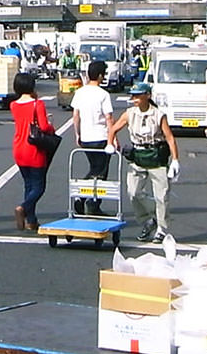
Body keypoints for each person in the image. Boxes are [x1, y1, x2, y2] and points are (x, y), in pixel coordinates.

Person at [107, 80, 179, 243]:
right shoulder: (129, 113)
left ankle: (161, 228)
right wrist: (109, 143)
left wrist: (175, 160)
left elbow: (170, 138)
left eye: (138, 95)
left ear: (147, 96)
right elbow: (113, 128)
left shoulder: (158, 115)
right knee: (133, 193)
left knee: (162, 195)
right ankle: (148, 219)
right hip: (138, 156)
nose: (135, 99)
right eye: (133, 96)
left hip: (156, 156)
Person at [8, 71, 56, 231]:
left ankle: (31, 220)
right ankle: (23, 207)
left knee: (28, 185)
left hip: (18, 147)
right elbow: (43, 127)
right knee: (38, 187)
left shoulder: (13, 105)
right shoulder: (37, 104)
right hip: (33, 148)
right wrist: (51, 126)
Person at [68, 59, 114, 214]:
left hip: (86, 137)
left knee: (94, 168)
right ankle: (91, 203)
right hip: (101, 137)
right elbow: (108, 118)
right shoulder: (103, 94)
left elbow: (76, 115)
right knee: (101, 172)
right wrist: (112, 138)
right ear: (100, 76)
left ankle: (83, 197)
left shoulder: (80, 92)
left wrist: (78, 134)